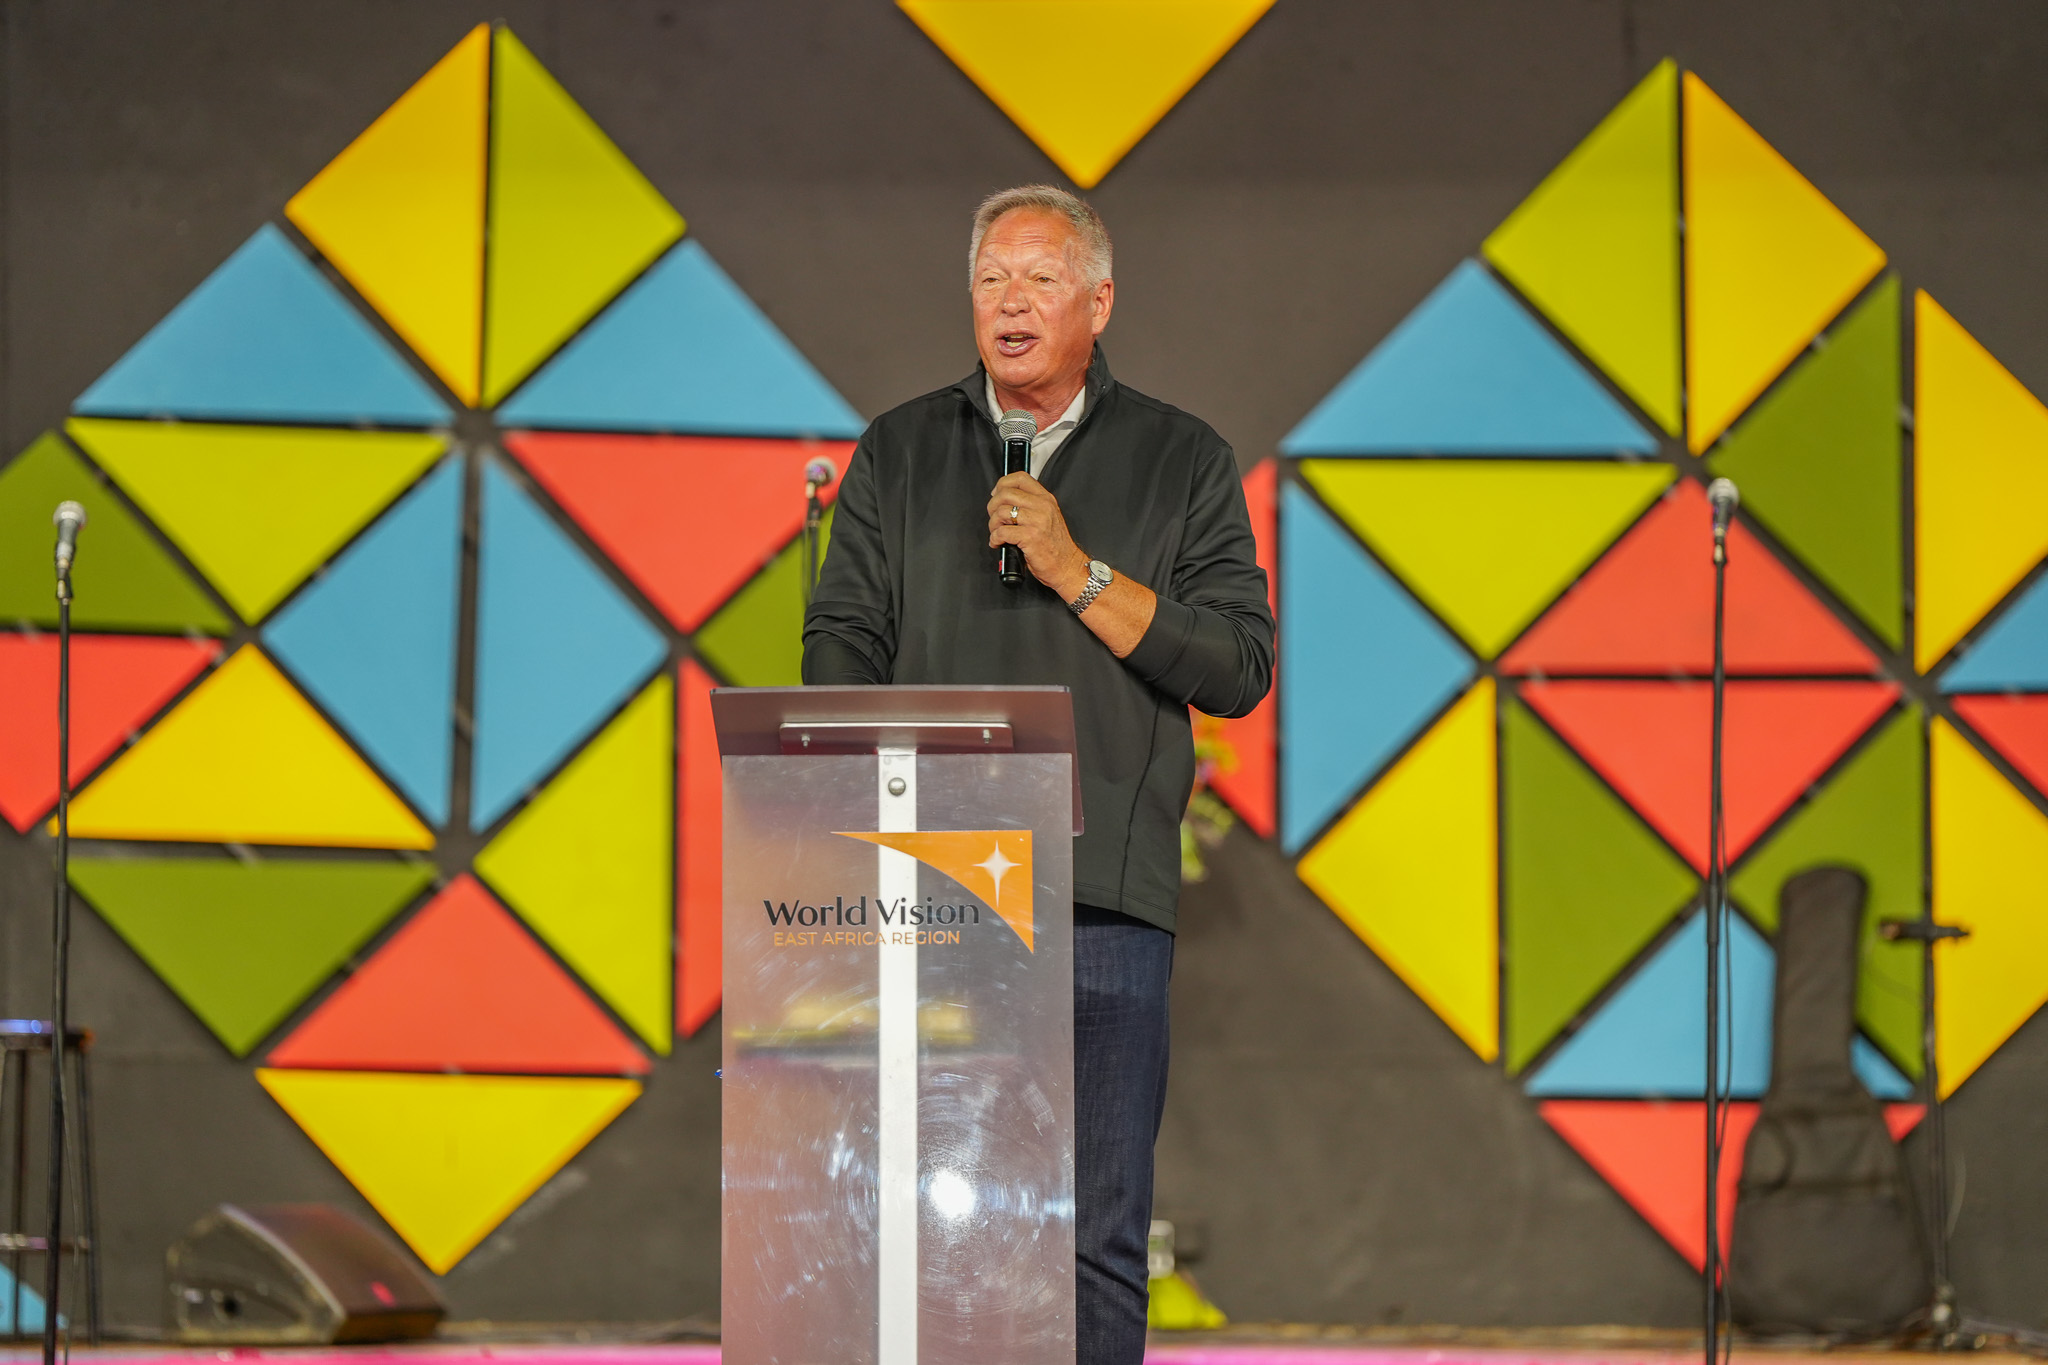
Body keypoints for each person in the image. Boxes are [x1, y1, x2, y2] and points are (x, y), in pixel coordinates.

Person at [802, 184, 1274, 1365]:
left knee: (1093, 1230)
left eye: (1038, 280)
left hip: (1101, 900)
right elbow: (840, 640)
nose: (1009, 304)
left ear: (1098, 302)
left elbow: (1236, 663)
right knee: (926, 1222)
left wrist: (1073, 569)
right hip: (934, 890)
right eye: (988, 281)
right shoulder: (901, 451)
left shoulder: (1181, 459)